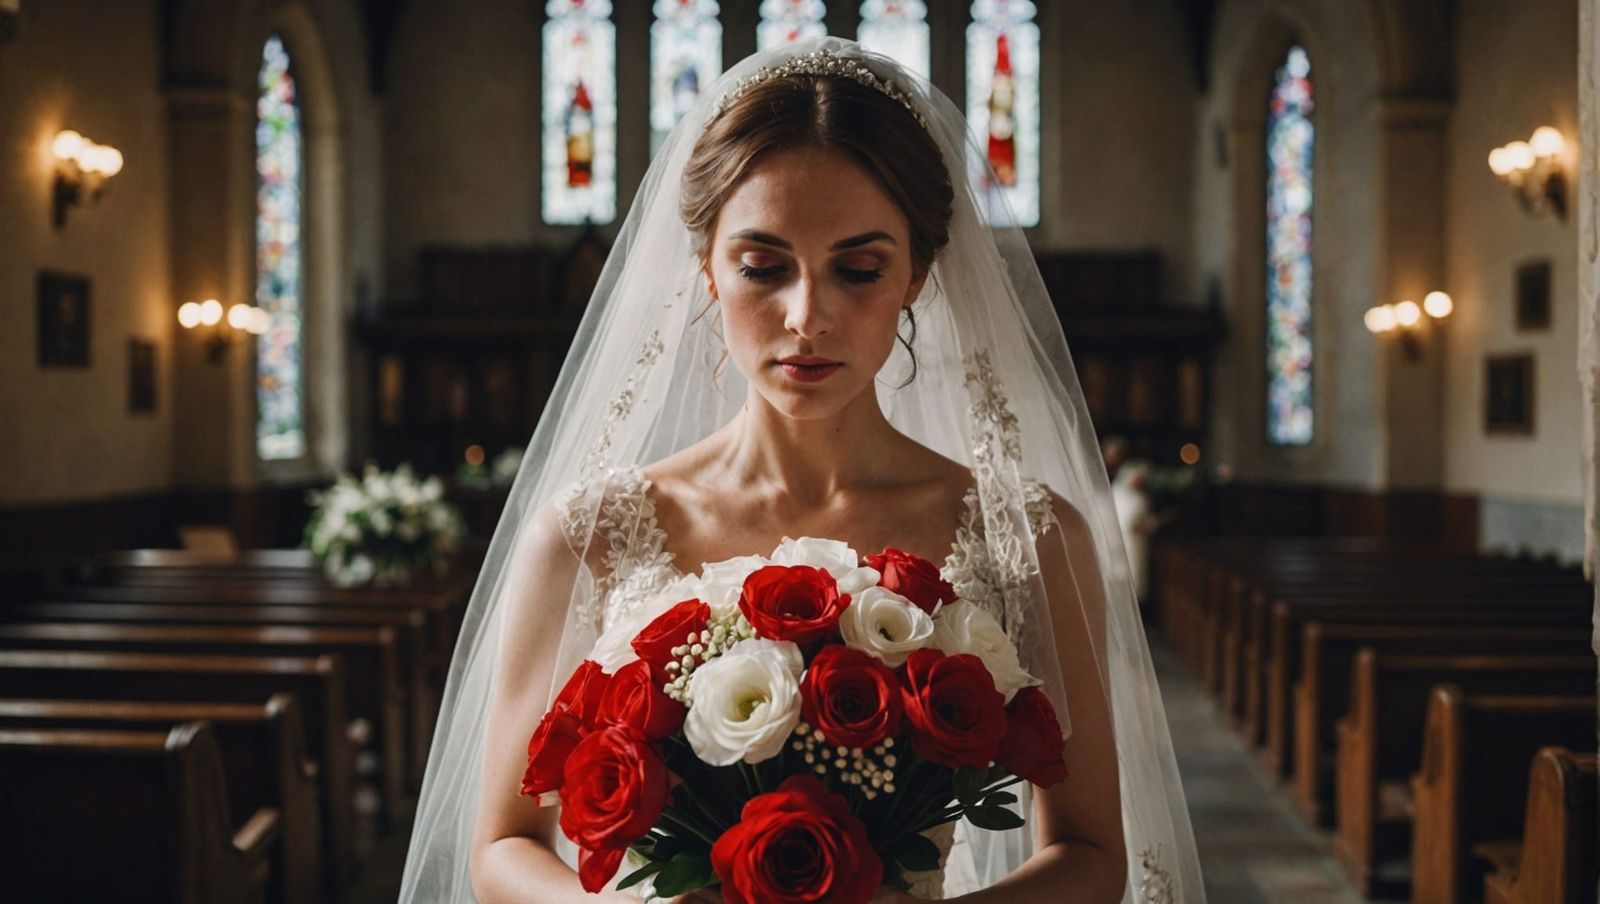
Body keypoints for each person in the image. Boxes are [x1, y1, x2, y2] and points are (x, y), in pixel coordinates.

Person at [399, 36, 1203, 903]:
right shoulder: (586, 534)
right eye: (762, 267)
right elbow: (502, 847)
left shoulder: (1029, 537)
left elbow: (1091, 852)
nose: (807, 316)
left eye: (858, 269)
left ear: (917, 276)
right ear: (707, 270)